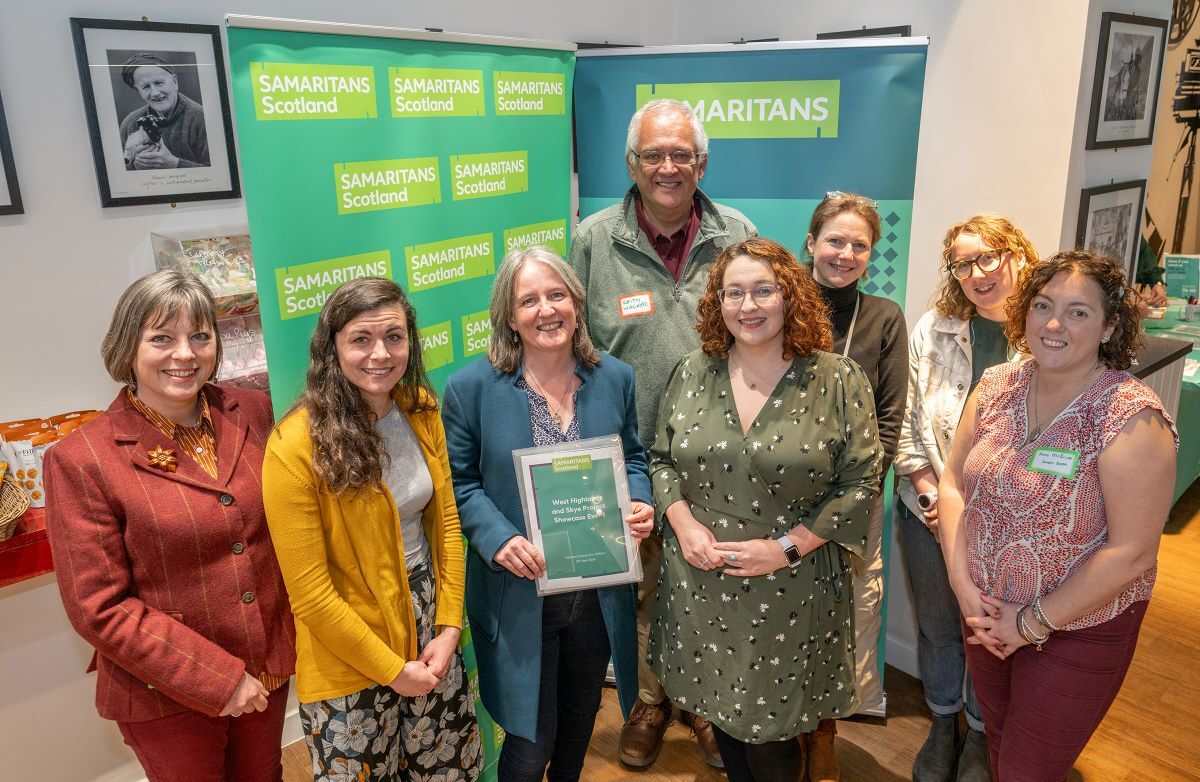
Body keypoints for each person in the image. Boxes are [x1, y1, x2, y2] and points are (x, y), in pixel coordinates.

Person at [43, 269, 296, 782]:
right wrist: (218, 679)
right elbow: (99, 607)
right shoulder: (80, 459)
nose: (185, 353)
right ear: (127, 346)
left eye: (200, 336)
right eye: (162, 338)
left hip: (267, 665)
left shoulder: (253, 410)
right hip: (167, 692)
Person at [647, 237, 881, 782]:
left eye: (762, 291)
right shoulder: (691, 372)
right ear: (717, 303)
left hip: (791, 584)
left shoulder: (837, 379)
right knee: (723, 714)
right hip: (702, 579)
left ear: (790, 296)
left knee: (772, 730)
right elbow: (660, 460)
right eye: (734, 293)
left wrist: (784, 548)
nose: (748, 306)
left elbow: (860, 482)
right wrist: (681, 525)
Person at [567, 96, 756, 769]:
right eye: (654, 154)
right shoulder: (592, 240)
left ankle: (702, 703)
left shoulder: (738, 234)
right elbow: (572, 343)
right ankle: (649, 700)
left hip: (718, 452)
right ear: (632, 163)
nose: (668, 166)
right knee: (639, 585)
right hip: (625, 451)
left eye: (681, 154)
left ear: (701, 163)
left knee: (707, 581)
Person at [938, 250, 1177, 780]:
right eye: (1043, 305)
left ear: (1110, 324)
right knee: (1000, 744)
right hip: (985, 612)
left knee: (1029, 770)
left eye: (1077, 312)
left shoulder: (1130, 416)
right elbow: (954, 484)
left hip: (1077, 627)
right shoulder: (997, 385)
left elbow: (1132, 551)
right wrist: (962, 585)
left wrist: (1029, 623)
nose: (1052, 324)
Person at [442, 246, 655, 782]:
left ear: (576, 303)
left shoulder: (615, 378)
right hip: (520, 594)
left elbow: (633, 457)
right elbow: (460, 485)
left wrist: (639, 499)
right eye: (528, 300)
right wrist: (497, 539)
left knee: (580, 724)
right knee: (531, 742)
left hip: (597, 594)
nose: (546, 310)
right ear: (509, 317)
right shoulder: (471, 390)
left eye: (556, 295)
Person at [263, 278, 480, 782]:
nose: (380, 354)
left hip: (430, 630)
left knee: (446, 771)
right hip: (348, 648)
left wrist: (449, 628)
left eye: (394, 337)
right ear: (331, 347)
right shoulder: (294, 445)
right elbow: (312, 595)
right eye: (361, 339)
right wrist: (393, 671)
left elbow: (447, 524)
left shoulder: (421, 408)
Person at [894, 214, 1038, 782]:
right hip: (926, 509)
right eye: (962, 262)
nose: (977, 273)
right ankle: (942, 721)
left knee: (987, 624)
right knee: (937, 623)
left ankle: (980, 731)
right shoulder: (934, 328)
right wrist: (930, 497)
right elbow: (907, 419)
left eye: (988, 256)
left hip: (1009, 523)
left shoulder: (1044, 331)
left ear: (1016, 253)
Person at [804, 191, 908, 781]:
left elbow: (891, 418)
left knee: (842, 618)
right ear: (812, 243)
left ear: (871, 253)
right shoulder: (778, 303)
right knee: (781, 615)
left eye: (858, 245)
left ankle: (824, 729)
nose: (844, 253)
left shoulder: (883, 318)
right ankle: (783, 724)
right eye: (834, 240)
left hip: (853, 500)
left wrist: (857, 495)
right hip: (777, 499)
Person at [119, 53, 210, 170]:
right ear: (139, 91)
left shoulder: (202, 119)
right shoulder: (130, 124)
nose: (155, 92)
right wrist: (134, 167)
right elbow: (121, 172)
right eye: (146, 87)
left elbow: (220, 175)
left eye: (159, 83)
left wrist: (175, 164)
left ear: (174, 82)